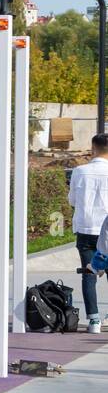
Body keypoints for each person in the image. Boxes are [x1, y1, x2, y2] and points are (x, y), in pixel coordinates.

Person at [69, 133, 108, 334]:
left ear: (93, 148)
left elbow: (72, 200)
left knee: (88, 274)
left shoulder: (79, 171)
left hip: (86, 229)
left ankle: (94, 320)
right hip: (107, 228)